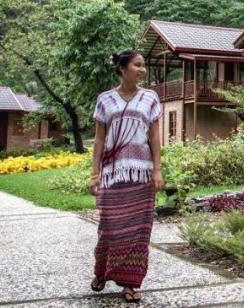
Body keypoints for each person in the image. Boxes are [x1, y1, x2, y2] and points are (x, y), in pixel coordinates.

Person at [89, 50, 164, 302]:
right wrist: (94, 174)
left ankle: (130, 284)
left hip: (141, 173)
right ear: (123, 68)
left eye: (144, 66)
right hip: (112, 174)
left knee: (139, 232)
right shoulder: (105, 100)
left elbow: (154, 137)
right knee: (109, 229)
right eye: (137, 65)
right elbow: (100, 139)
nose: (142, 70)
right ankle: (101, 272)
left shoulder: (150, 98)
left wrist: (157, 170)